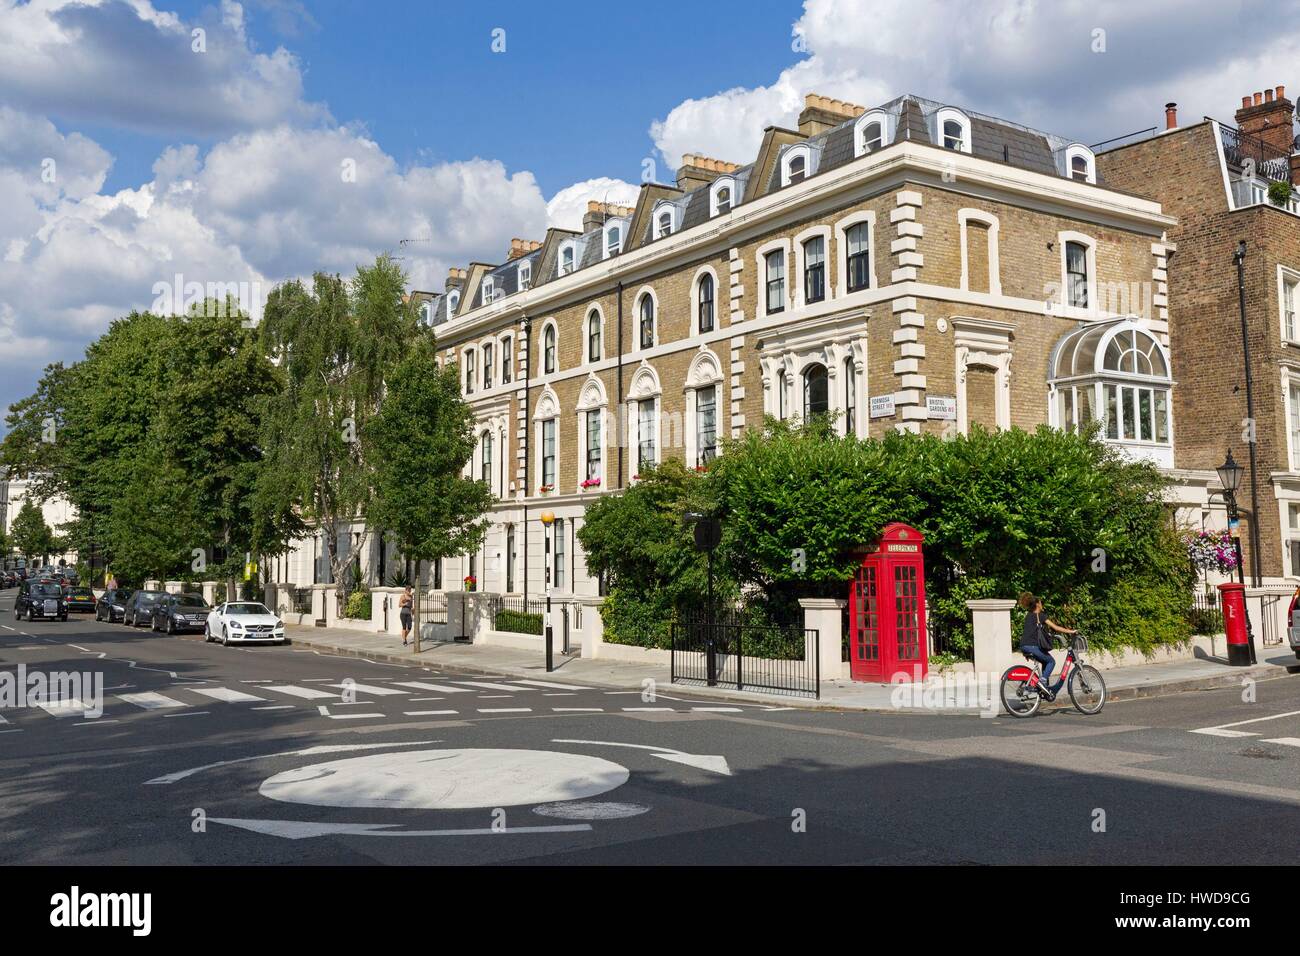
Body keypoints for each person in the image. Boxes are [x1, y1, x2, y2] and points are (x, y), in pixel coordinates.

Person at [1018, 592, 1077, 698]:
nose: (1042, 605)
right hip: (1032, 646)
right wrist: (1071, 631)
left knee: (1045, 661)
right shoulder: (1040, 616)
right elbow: (1056, 627)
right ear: (1037, 604)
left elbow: (1031, 632)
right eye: (1041, 603)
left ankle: (1044, 689)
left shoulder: (1028, 616)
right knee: (1051, 661)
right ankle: (1042, 682)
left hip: (1024, 645)